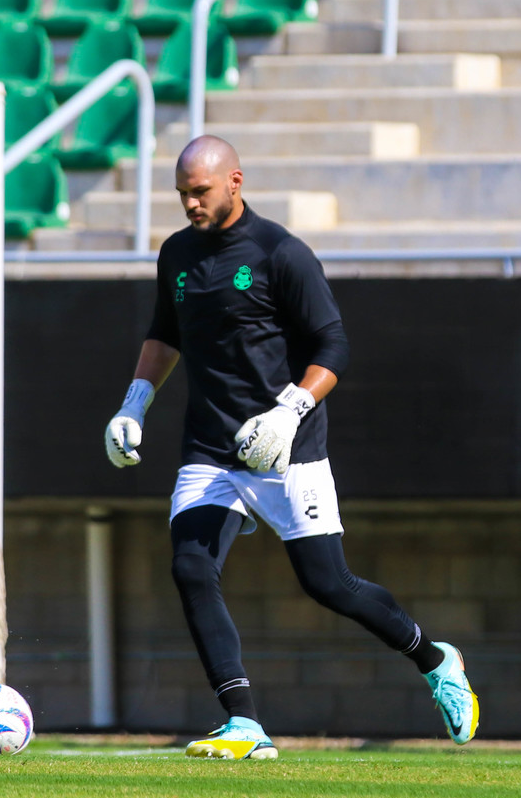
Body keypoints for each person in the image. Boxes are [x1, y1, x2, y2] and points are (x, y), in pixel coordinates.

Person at [103, 135, 479, 760]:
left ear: (235, 182)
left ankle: (435, 658)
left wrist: (289, 411)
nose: (190, 204)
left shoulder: (282, 253)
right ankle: (244, 724)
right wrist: (134, 403)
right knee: (191, 568)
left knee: (329, 584)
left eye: (200, 191)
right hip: (210, 448)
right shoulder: (176, 253)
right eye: (182, 194)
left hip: (287, 448)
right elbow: (164, 334)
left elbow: (333, 346)